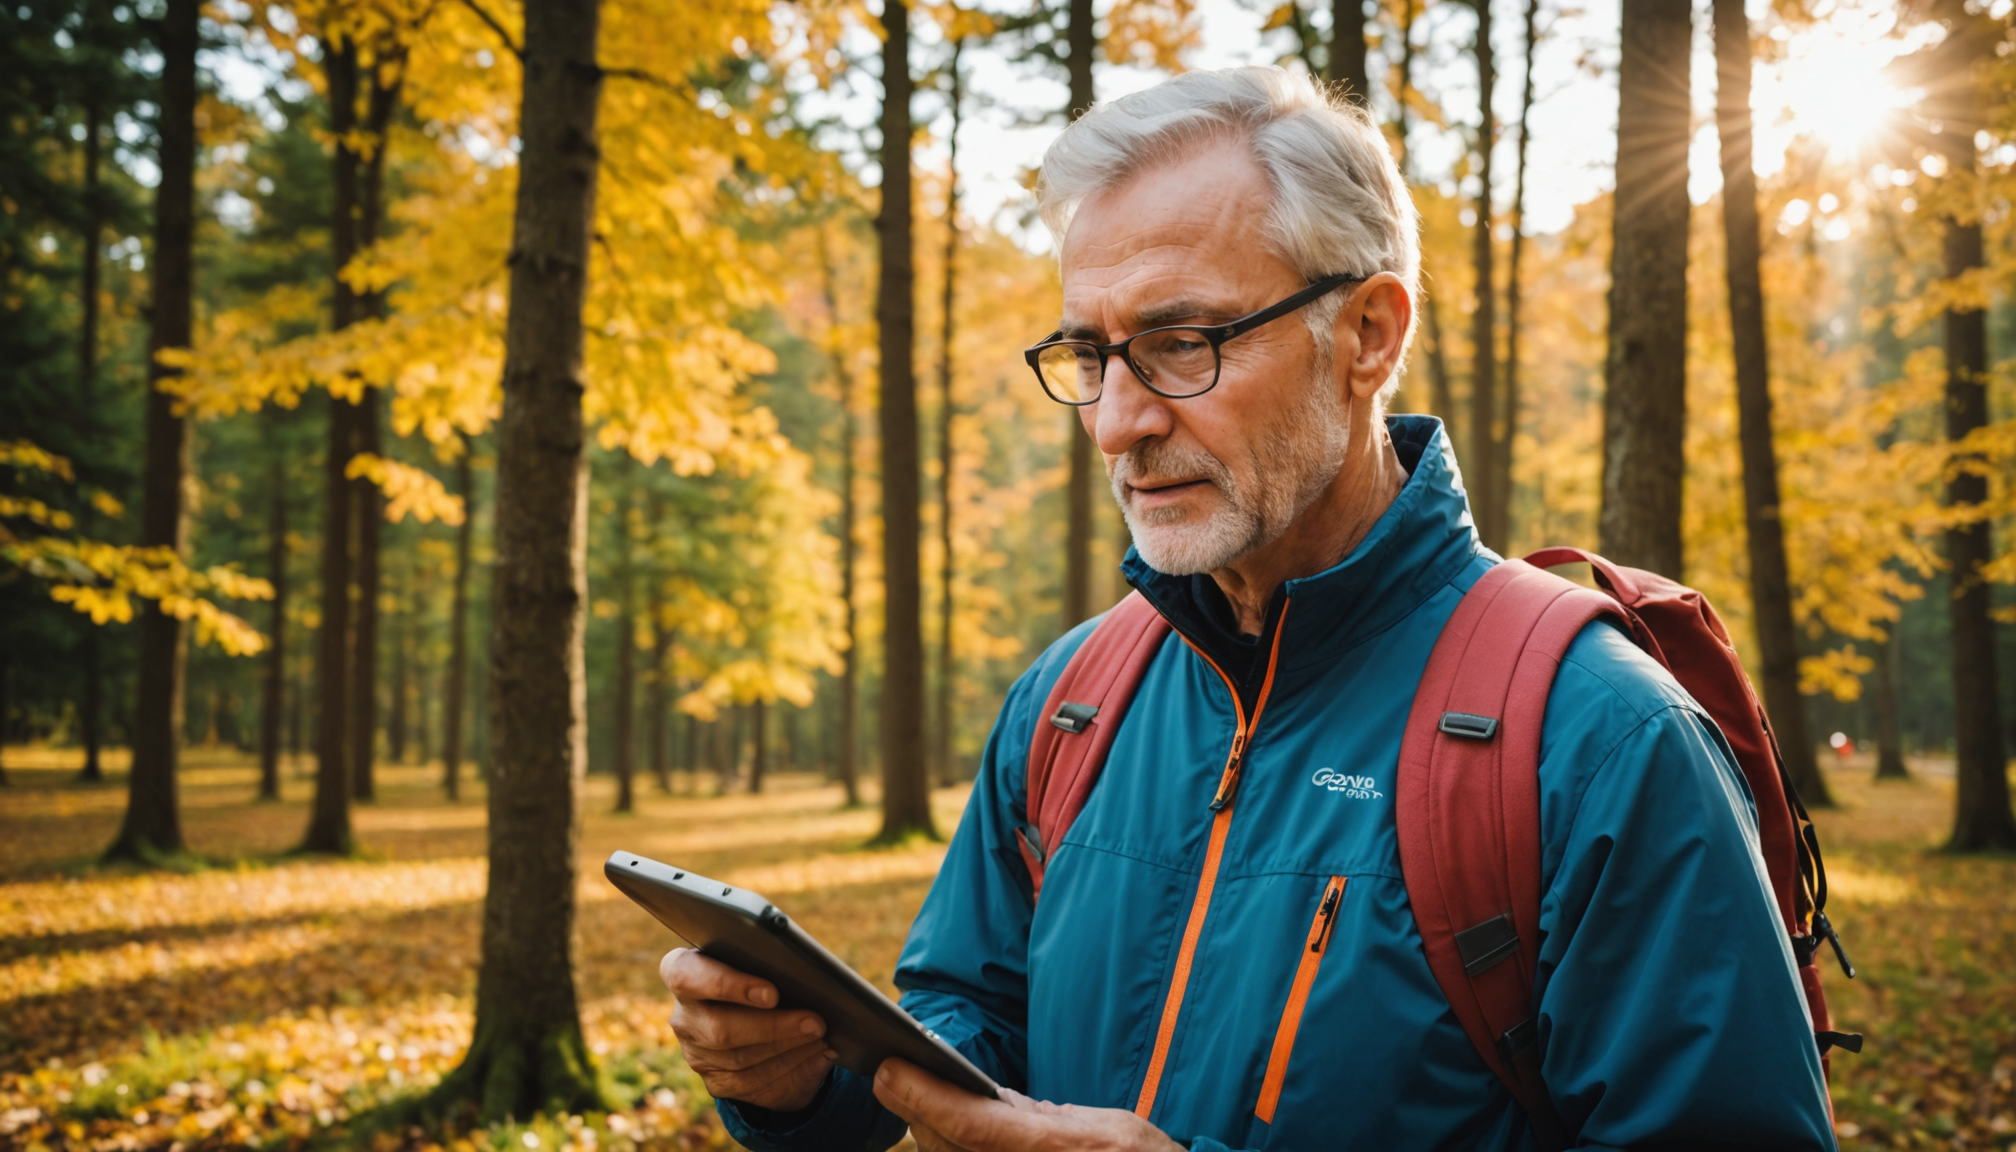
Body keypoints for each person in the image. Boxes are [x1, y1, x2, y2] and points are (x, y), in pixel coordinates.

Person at [658, 66, 1837, 1151]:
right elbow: (970, 1010)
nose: (1118, 423)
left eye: (1182, 344)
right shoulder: (1069, 701)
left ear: (1367, 335)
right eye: (1089, 355)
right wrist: (805, 1086)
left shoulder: (1601, 739)